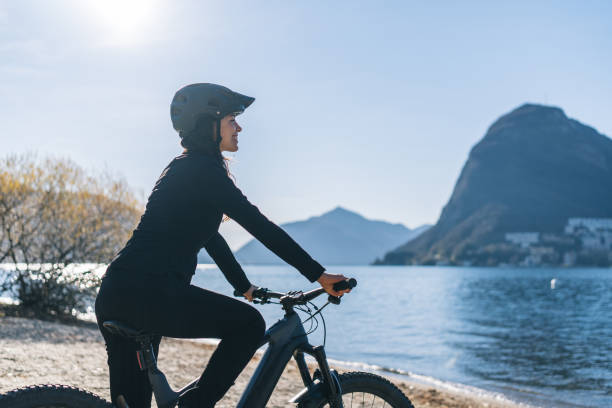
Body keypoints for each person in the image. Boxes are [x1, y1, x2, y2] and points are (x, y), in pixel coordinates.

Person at [95, 83, 351, 408]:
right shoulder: (203, 171)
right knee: (248, 325)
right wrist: (318, 275)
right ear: (209, 123)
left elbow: (209, 236)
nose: (239, 127)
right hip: (151, 293)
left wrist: (243, 285)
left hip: (119, 292)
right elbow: (258, 225)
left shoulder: (185, 168)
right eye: (232, 120)